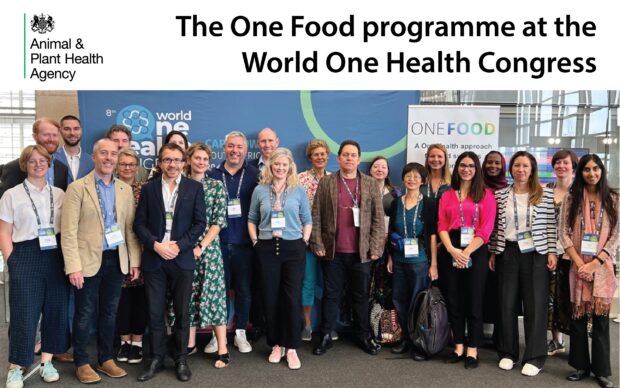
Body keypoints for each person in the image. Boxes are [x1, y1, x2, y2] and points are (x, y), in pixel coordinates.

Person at [61, 138, 141, 384]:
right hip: (86, 262)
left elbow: (129, 229)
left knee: (109, 313)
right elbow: (68, 231)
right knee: (84, 313)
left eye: (113, 154)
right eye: (103, 153)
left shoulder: (124, 190)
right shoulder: (77, 188)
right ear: (94, 157)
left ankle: (106, 359)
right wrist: (73, 266)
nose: (108, 158)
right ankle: (82, 362)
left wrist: (135, 261)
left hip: (116, 260)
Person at [134, 143, 207, 382]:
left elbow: (199, 224)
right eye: (167, 160)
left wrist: (179, 246)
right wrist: (155, 244)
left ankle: (181, 359)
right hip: (155, 259)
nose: (172, 164)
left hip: (182, 258)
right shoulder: (149, 189)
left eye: (177, 160)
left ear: (184, 162)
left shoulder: (194, 188)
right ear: (160, 162)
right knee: (155, 313)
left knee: (182, 313)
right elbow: (139, 224)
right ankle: (156, 358)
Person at [1, 145, 69, 388]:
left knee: (55, 311)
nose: (38, 164)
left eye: (42, 160)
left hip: (56, 257)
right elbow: (4, 232)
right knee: (24, 314)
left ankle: (46, 362)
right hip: (25, 255)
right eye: (32, 161)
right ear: (24, 165)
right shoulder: (12, 195)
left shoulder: (60, 194)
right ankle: (16, 367)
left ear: (49, 164)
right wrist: (13, 262)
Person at [311, 139, 385, 356]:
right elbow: (316, 215)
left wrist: (376, 247)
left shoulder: (370, 183)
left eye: (353, 155)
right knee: (331, 295)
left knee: (360, 296)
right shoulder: (327, 182)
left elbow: (378, 220)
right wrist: (317, 242)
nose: (349, 158)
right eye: (345, 155)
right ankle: (325, 335)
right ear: (338, 158)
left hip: (361, 252)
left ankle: (363, 335)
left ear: (359, 159)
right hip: (333, 251)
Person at [489, 151, 557, 377]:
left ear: (532, 169)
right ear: (511, 169)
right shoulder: (500, 195)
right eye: (517, 165)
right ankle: (507, 353)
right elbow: (496, 228)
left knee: (535, 306)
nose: (521, 170)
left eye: (525, 166)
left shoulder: (545, 194)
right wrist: (493, 252)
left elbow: (550, 226)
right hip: (507, 252)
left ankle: (535, 357)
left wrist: (551, 252)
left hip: (536, 254)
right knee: (506, 304)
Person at [248, 147, 312, 370]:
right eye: (277, 164)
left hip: (293, 248)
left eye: (285, 165)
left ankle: (291, 347)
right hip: (266, 248)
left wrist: (303, 241)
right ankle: (276, 344)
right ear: (270, 165)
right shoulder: (259, 190)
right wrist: (256, 241)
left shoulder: (298, 190)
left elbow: (308, 219)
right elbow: (252, 218)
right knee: (271, 298)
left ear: (290, 167)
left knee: (291, 298)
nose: (280, 168)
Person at [560, 154, 618, 388]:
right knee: (578, 317)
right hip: (577, 265)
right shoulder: (571, 198)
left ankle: (601, 370)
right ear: (580, 172)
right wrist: (579, 262)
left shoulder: (614, 198)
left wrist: (595, 263)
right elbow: (563, 232)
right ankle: (580, 366)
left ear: (602, 171)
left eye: (595, 169)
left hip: (602, 267)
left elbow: (617, 235)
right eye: (586, 169)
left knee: (601, 319)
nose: (591, 173)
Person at [172, 143, 229, 368]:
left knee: (213, 297)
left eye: (205, 159)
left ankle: (223, 348)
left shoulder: (216, 186)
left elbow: (218, 222)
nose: (201, 162)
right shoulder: (179, 185)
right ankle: (190, 343)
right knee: (187, 296)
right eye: (197, 158)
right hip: (183, 249)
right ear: (188, 159)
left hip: (208, 250)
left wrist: (201, 247)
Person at [437, 151, 496, 369]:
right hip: (451, 247)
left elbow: (486, 228)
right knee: (453, 297)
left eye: (471, 165)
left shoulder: (486, 194)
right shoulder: (447, 194)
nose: (467, 169)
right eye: (463, 165)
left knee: (474, 299)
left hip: (476, 248)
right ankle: (458, 345)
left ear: (477, 169)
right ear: (457, 168)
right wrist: (453, 250)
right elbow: (441, 224)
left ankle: (473, 348)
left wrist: (467, 252)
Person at [207, 131, 259, 354]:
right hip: (217, 242)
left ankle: (240, 332)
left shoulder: (255, 174)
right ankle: (216, 336)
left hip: (245, 244)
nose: (235, 150)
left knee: (244, 290)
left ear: (245, 150)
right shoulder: (211, 174)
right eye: (231, 146)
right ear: (224, 148)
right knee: (218, 291)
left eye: (239, 147)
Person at [386, 162, 438, 359]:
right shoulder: (395, 203)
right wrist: (390, 256)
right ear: (403, 179)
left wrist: (433, 264)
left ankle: (420, 343)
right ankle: (406, 339)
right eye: (408, 175)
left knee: (419, 302)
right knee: (399, 299)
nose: (412, 179)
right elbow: (392, 232)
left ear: (423, 180)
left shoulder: (429, 204)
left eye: (416, 176)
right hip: (399, 259)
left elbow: (432, 235)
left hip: (420, 260)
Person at [114, 149, 147, 365]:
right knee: (122, 301)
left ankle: (137, 343)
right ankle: (124, 342)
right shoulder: (108, 189)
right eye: (123, 164)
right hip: (117, 250)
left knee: (141, 299)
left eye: (131, 164)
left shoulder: (146, 190)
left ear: (137, 167)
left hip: (144, 251)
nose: (127, 168)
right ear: (117, 166)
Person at [297, 139, 331, 341]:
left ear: (328, 156)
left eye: (323, 154)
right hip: (307, 240)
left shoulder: (335, 179)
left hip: (331, 241)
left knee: (330, 285)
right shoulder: (300, 180)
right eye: (315, 154)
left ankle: (329, 325)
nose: (319, 157)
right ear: (310, 157)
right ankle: (307, 324)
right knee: (308, 283)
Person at [546, 149, 578, 356]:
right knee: (551, 296)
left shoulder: (580, 192)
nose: (561, 166)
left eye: (565, 163)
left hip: (573, 253)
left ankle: (576, 342)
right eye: (557, 163)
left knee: (571, 296)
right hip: (549, 252)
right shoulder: (546, 190)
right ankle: (556, 340)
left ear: (573, 166)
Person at [0, 118, 69, 199]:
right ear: (35, 137)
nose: (51, 139)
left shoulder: (62, 169)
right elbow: (4, 203)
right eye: (46, 135)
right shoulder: (14, 168)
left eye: (55, 135)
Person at [481, 150, 509, 345]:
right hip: (480, 245)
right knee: (482, 289)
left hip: (502, 248)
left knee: (502, 292)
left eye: (497, 163)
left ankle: (501, 336)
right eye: (489, 162)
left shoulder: (508, 188)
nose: (493, 166)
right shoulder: (478, 187)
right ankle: (479, 332)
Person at [53, 115, 94, 183]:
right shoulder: (53, 159)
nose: (72, 133)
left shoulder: (91, 161)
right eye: (67, 129)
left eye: (76, 129)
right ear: (60, 131)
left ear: (81, 130)